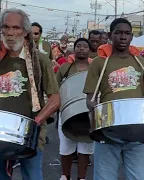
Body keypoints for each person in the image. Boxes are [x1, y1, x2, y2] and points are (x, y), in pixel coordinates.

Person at [83, 18, 144, 180]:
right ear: (110, 35)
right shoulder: (98, 62)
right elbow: (90, 99)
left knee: (137, 177)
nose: (123, 37)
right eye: (118, 33)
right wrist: (98, 116)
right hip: (109, 131)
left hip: (137, 132)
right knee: (104, 177)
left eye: (127, 34)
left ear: (131, 37)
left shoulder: (141, 62)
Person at [0, 8, 60, 180]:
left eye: (16, 28)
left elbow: (55, 99)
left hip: (29, 133)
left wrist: (37, 122)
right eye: (6, 27)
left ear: (25, 31)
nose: (10, 33)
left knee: (32, 176)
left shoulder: (39, 59)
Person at [56, 38, 93, 180]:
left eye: (85, 46)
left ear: (89, 50)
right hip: (68, 113)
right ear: (74, 49)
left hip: (88, 114)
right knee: (66, 148)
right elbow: (55, 86)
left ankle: (81, 177)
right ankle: (65, 175)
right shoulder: (65, 68)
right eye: (79, 46)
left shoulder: (95, 68)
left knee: (85, 148)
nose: (82, 49)